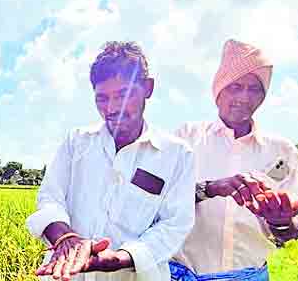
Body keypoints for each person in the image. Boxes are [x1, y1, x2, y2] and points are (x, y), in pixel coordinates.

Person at [27, 42, 194, 281]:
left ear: (148, 88)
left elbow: (174, 224)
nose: (112, 108)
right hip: (66, 275)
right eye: (102, 98)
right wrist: (67, 239)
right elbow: (50, 198)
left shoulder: (176, 154)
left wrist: (120, 258)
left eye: (124, 95)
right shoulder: (77, 142)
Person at [170, 39, 298, 281]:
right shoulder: (186, 138)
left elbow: (285, 231)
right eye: (235, 87)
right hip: (184, 274)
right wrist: (211, 189)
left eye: (254, 89)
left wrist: (282, 221)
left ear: (263, 96)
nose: (244, 97)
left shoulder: (283, 153)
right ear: (218, 90)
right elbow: (162, 205)